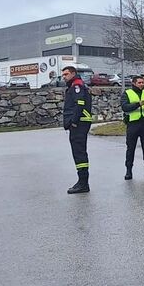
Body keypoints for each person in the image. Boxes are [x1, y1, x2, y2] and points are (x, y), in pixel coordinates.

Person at [61, 65, 93, 194]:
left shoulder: (77, 86)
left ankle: (83, 183)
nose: (64, 77)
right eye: (63, 75)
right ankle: (82, 181)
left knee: (79, 153)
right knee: (79, 152)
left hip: (79, 124)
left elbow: (79, 104)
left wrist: (73, 122)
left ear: (73, 74)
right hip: (80, 123)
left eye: (66, 74)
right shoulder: (76, 85)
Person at [120, 75, 144, 180]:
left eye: (143, 82)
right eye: (139, 82)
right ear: (134, 83)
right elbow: (125, 107)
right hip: (133, 124)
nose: (142, 84)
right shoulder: (127, 93)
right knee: (130, 149)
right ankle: (128, 171)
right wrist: (138, 104)